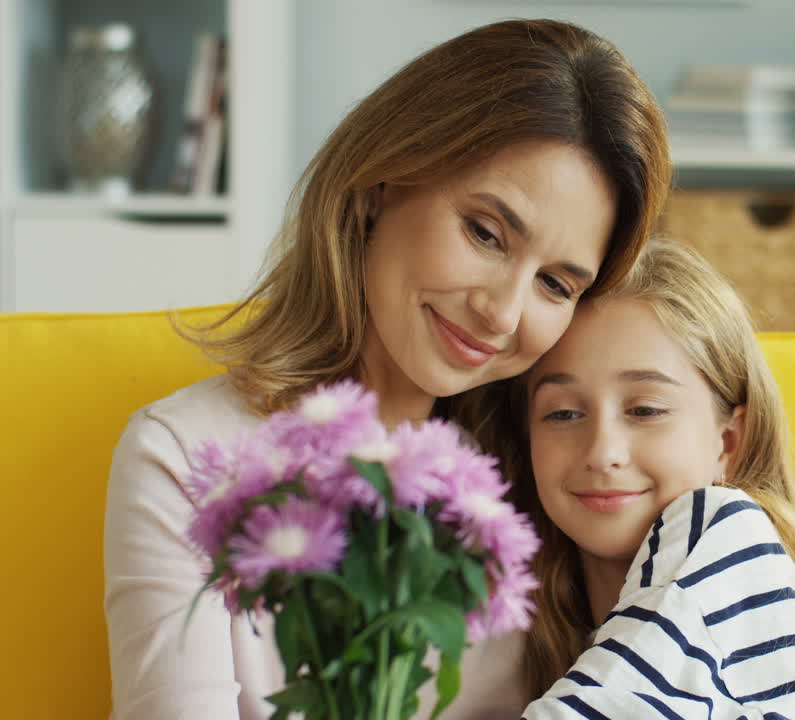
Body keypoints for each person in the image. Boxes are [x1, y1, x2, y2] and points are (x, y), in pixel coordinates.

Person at [103, 18, 670, 720]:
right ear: (381, 181)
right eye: (486, 233)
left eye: (556, 284)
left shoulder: (554, 475)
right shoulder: (187, 460)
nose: (502, 313)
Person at [460, 239, 795, 719]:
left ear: (728, 443)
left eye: (645, 410)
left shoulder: (728, 534)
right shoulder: (548, 636)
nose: (602, 452)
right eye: (564, 413)